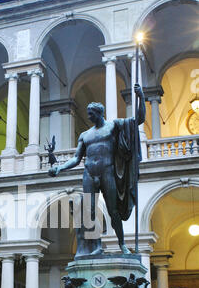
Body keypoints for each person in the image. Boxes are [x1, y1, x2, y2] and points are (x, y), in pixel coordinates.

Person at [49, 84, 146, 257]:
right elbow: (76, 158)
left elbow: (138, 120)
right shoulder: (85, 135)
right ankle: (96, 246)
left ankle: (122, 244)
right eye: (88, 114)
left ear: (99, 113)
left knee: (113, 210)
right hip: (89, 173)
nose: (89, 117)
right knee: (89, 211)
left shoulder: (113, 126)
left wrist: (141, 97)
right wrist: (60, 168)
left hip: (107, 172)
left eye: (91, 114)